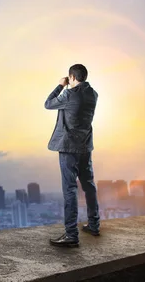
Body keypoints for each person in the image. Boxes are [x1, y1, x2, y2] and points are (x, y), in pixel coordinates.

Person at [44, 64, 101, 248]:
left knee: (70, 190)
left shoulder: (69, 94)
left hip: (69, 148)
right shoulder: (93, 94)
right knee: (89, 185)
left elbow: (48, 103)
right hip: (85, 146)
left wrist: (61, 85)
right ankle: (93, 225)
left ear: (72, 77)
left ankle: (71, 235)